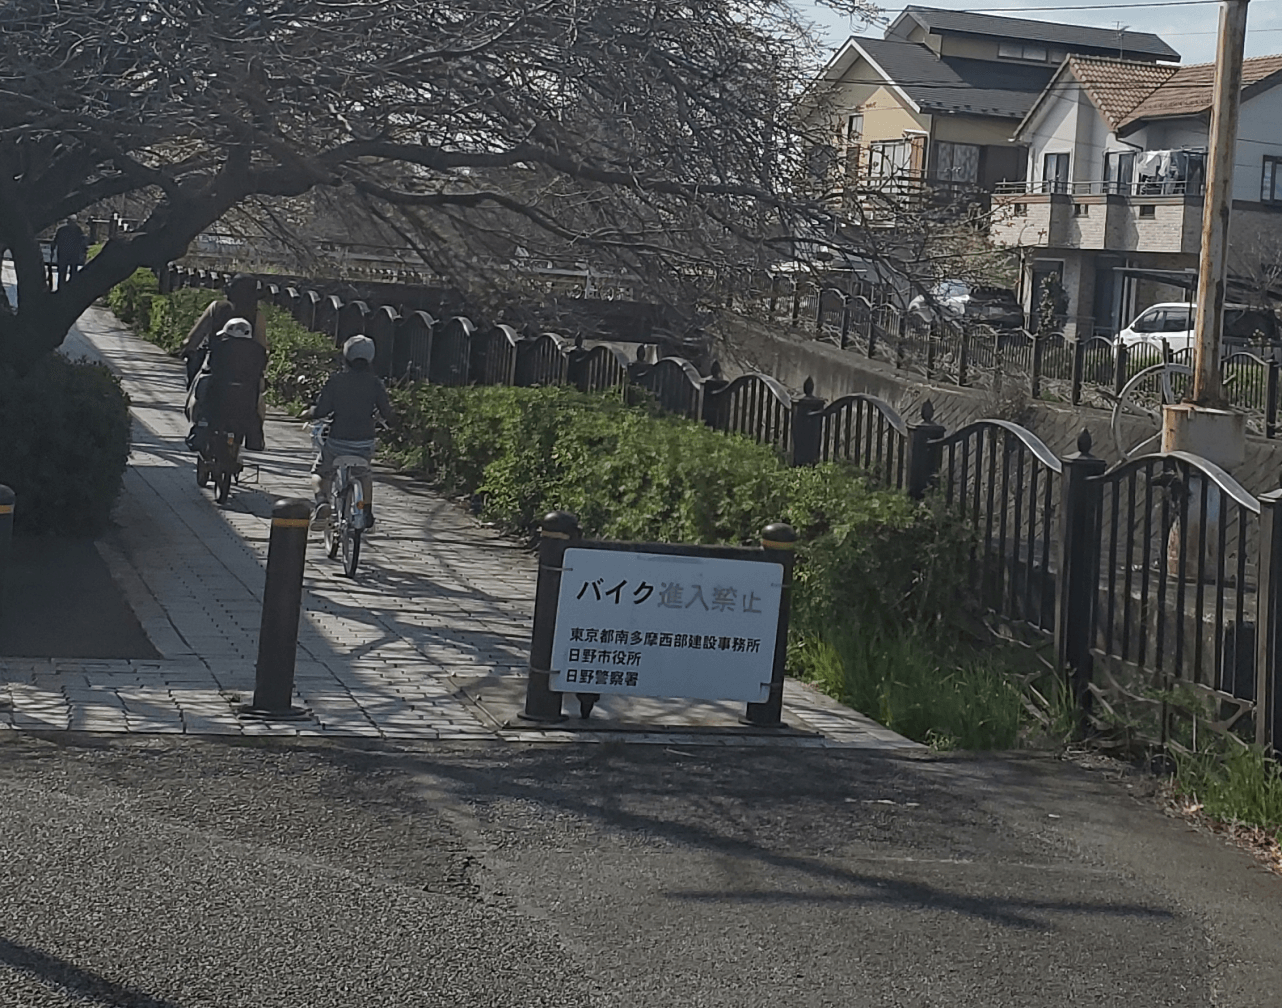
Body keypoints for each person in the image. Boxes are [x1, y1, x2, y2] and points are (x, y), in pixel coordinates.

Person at [306, 335, 396, 528]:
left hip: (337, 440)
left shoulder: (336, 381)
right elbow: (387, 412)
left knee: (321, 472)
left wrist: (308, 413)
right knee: (363, 474)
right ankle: (367, 512)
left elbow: (321, 410)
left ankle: (322, 502)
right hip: (364, 441)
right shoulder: (374, 383)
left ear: (346, 357)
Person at [185, 317, 268, 454]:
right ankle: (255, 438)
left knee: (199, 396)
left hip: (217, 395)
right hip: (246, 397)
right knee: (258, 407)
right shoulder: (258, 350)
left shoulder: (217, 345)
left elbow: (208, 366)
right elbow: (261, 371)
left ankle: (197, 428)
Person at [52, 216, 89, 288]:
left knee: (63, 271)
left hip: (64, 253)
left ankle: (62, 287)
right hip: (72, 253)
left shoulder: (62, 229)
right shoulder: (77, 230)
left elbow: (55, 242)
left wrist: (52, 251)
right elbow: (82, 241)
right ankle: (69, 287)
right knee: (72, 271)